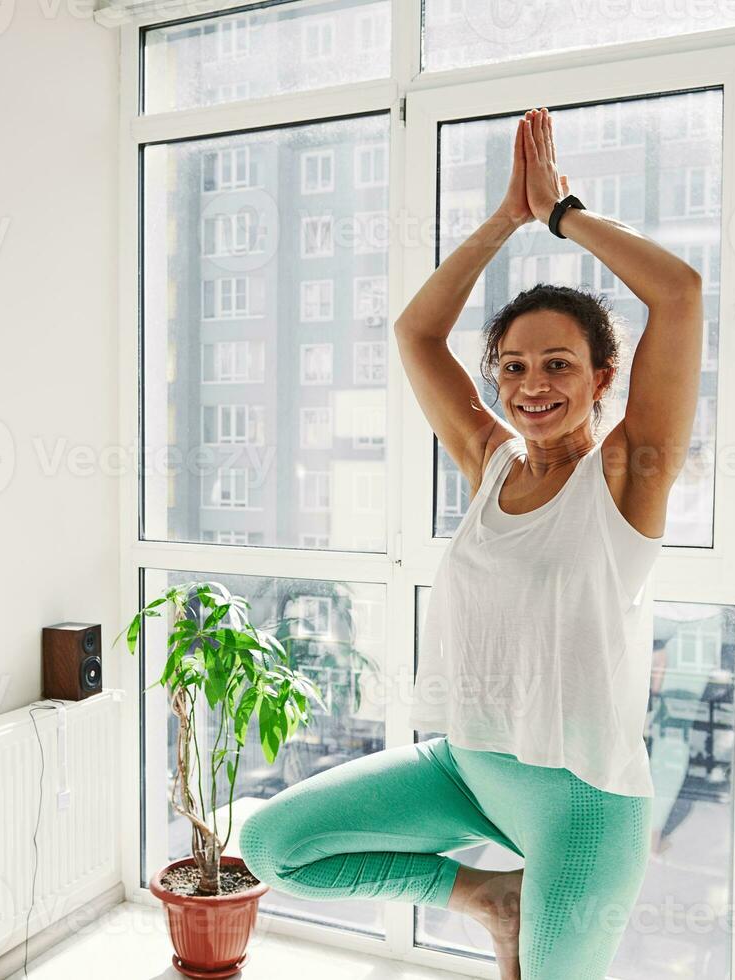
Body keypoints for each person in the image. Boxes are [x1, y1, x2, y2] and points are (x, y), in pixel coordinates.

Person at [238, 107, 704, 980]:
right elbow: (414, 332)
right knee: (271, 846)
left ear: (603, 377)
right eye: (515, 366)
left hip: (582, 801)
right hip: (464, 767)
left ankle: (521, 899)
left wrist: (561, 213)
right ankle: (489, 897)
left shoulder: (625, 474)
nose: (533, 384)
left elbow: (677, 292)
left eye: (559, 363)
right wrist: (504, 219)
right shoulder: (488, 462)